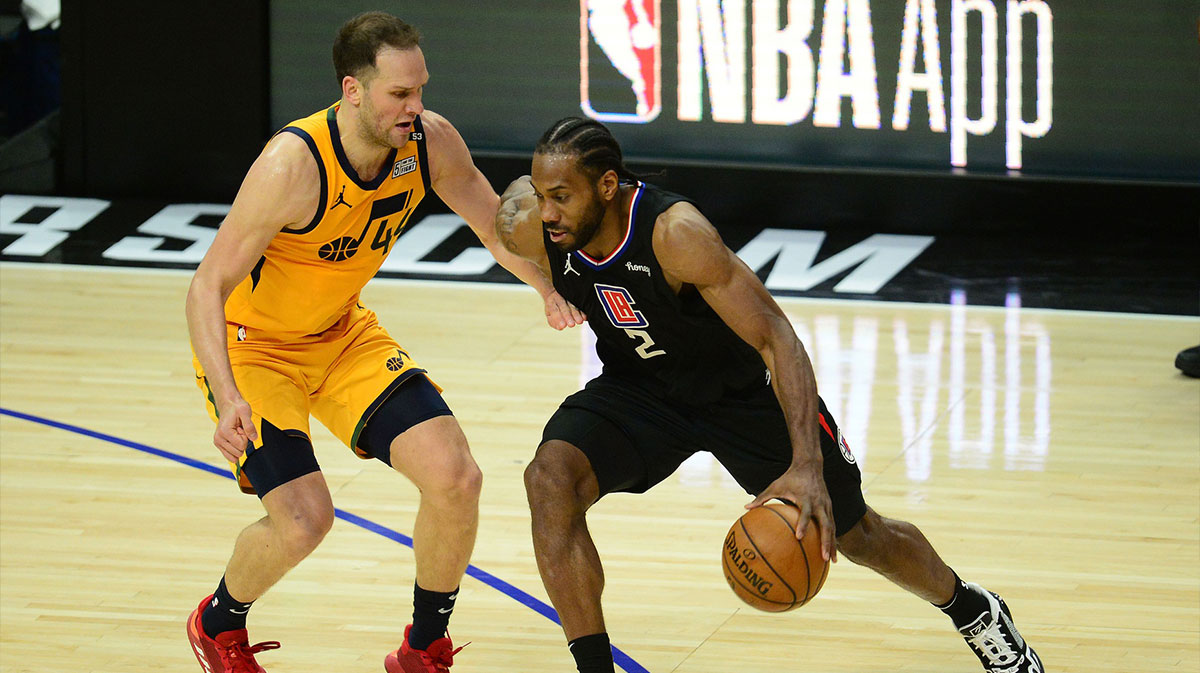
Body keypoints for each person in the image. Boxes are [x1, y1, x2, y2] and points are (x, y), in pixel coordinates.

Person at [494, 116, 1044, 673]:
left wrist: (806, 465)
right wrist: (546, 289)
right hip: (641, 389)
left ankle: (973, 610)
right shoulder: (536, 227)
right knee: (549, 480)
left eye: (561, 196)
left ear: (608, 186)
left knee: (858, 536)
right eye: (541, 195)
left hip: (742, 395)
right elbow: (492, 217)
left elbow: (777, 340)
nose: (548, 211)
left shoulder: (674, 235)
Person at [184, 13, 581, 673]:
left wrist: (546, 288)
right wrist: (228, 398)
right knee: (304, 521)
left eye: (420, 89)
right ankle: (217, 621)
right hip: (255, 348)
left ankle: (423, 648)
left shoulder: (429, 141)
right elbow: (206, 286)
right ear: (354, 90)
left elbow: (492, 224)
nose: (415, 106)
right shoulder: (292, 164)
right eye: (400, 94)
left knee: (457, 477)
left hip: (342, 335)